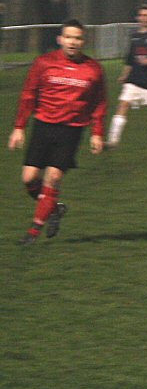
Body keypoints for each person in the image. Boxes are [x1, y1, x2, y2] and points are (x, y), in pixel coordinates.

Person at [8, 19, 106, 246]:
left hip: (71, 130)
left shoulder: (93, 69)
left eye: (78, 38)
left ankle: (32, 233)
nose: (73, 42)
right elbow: (28, 95)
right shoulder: (44, 63)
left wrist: (97, 132)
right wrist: (19, 127)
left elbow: (99, 102)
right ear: (60, 39)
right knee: (29, 178)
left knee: (53, 178)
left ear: (84, 41)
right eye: (69, 37)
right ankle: (55, 209)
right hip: (43, 126)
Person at [106, 4, 147, 151]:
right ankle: (112, 141)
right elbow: (130, 59)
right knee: (123, 105)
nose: (145, 18)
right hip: (134, 80)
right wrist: (124, 75)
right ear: (138, 17)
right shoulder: (134, 35)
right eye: (142, 15)